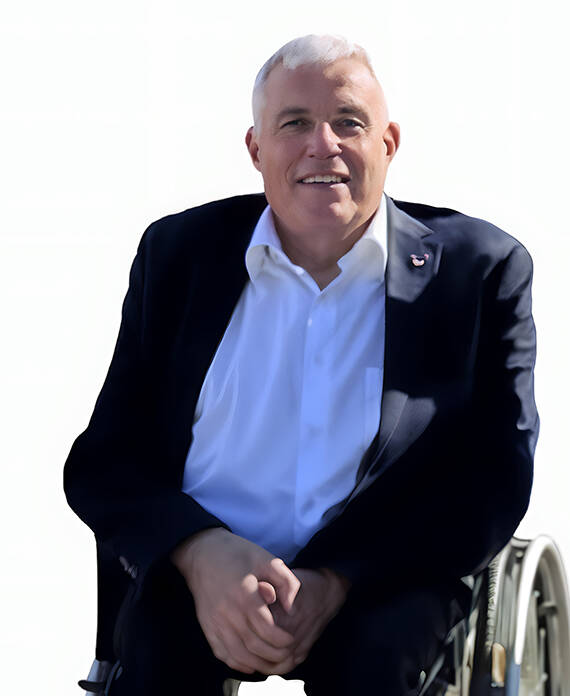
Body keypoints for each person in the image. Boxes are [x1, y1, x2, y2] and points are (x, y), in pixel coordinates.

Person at [64, 34, 539, 695]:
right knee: (157, 653)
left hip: (382, 578)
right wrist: (199, 553)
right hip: (200, 575)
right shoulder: (179, 256)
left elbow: (495, 477)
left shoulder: (480, 272)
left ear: (389, 143)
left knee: (373, 667)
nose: (324, 144)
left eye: (349, 122)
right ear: (256, 149)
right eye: (294, 123)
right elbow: (105, 462)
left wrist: (338, 578)